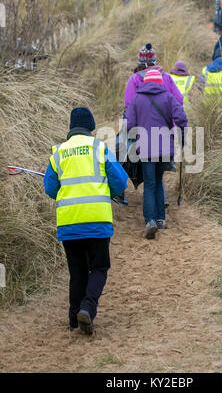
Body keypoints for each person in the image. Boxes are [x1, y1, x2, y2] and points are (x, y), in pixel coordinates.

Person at [44, 107, 128, 334]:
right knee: (99, 268)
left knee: (77, 273)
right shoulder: (99, 148)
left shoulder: (58, 153)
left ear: (71, 128)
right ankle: (88, 309)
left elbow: (50, 188)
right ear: (91, 127)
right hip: (97, 221)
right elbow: (120, 182)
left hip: (69, 223)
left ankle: (74, 321)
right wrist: (105, 192)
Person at [126, 70, 187, 239]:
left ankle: (150, 221)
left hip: (145, 149)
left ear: (146, 82)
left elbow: (129, 124)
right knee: (159, 180)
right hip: (165, 148)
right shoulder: (168, 97)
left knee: (150, 184)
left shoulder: (137, 99)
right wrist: (181, 132)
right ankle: (161, 219)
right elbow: (181, 117)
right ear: (160, 82)